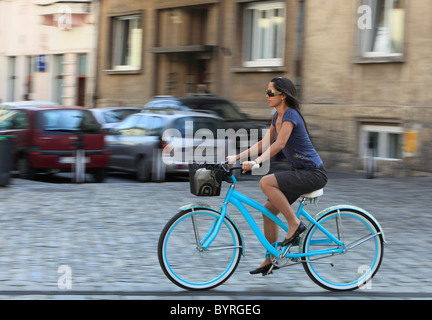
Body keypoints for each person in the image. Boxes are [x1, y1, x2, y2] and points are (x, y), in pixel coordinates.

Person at [226, 77, 328, 276]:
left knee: (266, 182)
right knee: (268, 211)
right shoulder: (276, 117)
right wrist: (236, 157)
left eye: (270, 92)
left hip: (313, 173)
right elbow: (264, 144)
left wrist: (257, 162)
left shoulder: (291, 115)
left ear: (283, 95)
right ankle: (270, 260)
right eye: (266, 91)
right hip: (300, 172)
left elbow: (279, 144)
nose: (266, 95)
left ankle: (294, 224)